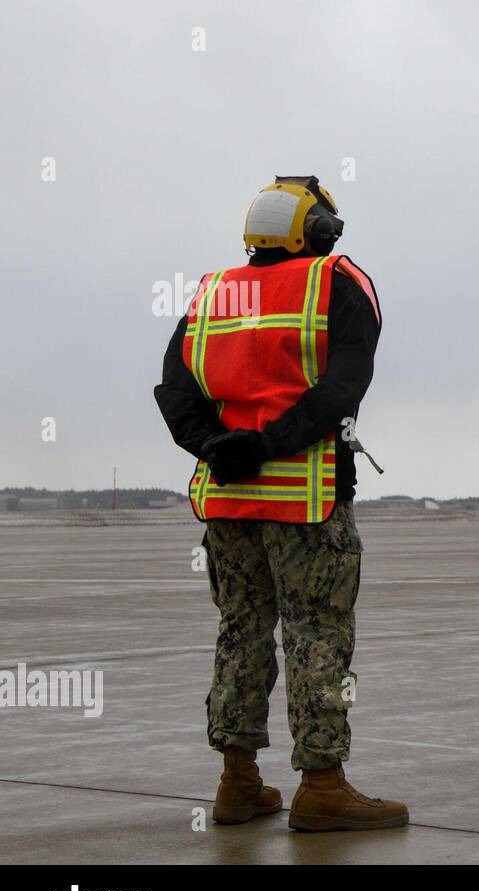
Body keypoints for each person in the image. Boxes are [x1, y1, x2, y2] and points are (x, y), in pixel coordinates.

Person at [154, 176, 407, 831]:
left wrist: (218, 447)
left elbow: (174, 389)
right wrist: (271, 444)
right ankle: (322, 785)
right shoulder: (337, 282)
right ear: (318, 232)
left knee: (240, 634)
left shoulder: (212, 293)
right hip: (308, 501)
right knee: (317, 637)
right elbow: (340, 389)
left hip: (229, 504)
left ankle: (237, 782)